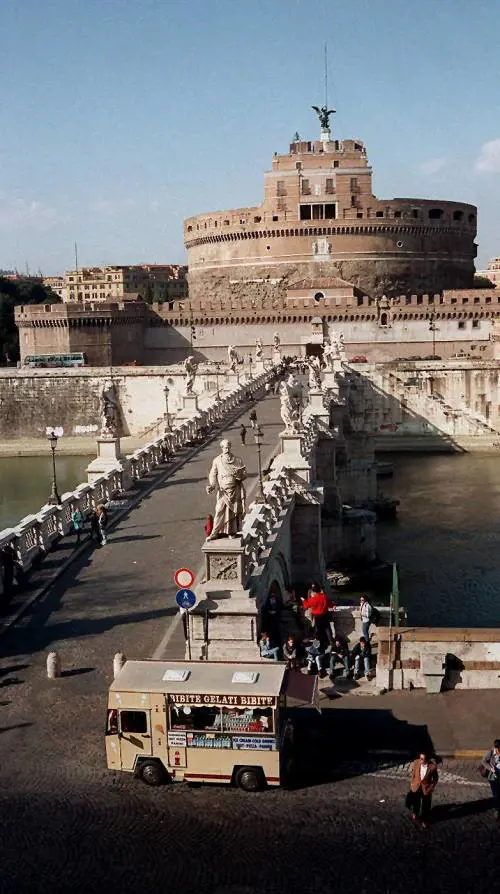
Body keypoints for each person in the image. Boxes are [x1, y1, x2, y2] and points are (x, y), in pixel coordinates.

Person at [407, 751, 439, 828]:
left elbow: (435, 778)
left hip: (426, 789)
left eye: (422, 759)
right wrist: (412, 783)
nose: (420, 760)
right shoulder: (416, 762)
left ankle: (425, 820)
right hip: (416, 787)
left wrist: (431, 788)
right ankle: (415, 814)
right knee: (415, 802)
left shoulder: (433, 767)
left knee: (426, 806)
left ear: (427, 760)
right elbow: (413, 773)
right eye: (420, 758)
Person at [302, 583, 334, 650]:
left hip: (317, 616)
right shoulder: (325, 597)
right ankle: (331, 642)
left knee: (317, 631)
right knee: (327, 629)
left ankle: (319, 644)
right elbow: (331, 605)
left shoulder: (313, 599)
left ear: (314, 591)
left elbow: (306, 606)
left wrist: (303, 600)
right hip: (325, 615)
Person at [480, 738, 500, 820]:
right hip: (494, 777)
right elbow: (484, 761)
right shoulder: (491, 752)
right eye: (498, 749)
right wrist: (491, 768)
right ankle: (498, 810)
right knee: (496, 794)